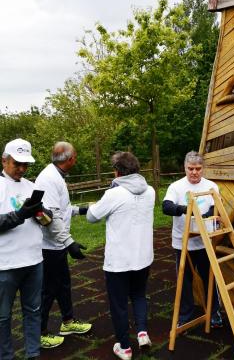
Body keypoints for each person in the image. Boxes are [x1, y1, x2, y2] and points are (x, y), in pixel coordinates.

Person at [86, 152, 155, 360]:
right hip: (143, 257)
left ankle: (124, 347)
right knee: (139, 295)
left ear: (117, 171)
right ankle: (142, 332)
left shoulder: (114, 194)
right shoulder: (150, 191)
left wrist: (108, 191)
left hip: (119, 262)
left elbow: (92, 217)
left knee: (118, 304)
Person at [35, 141, 91, 349]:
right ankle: (39, 333)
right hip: (49, 246)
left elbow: (63, 209)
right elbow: (49, 217)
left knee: (63, 285)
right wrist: (70, 243)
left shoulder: (57, 175)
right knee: (48, 290)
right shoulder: (49, 179)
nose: (75, 159)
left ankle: (67, 321)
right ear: (70, 159)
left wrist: (83, 210)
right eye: (75, 156)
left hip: (56, 245)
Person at [162, 151, 222, 328]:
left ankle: (214, 312)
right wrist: (185, 209)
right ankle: (186, 315)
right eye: (190, 169)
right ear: (185, 168)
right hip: (183, 243)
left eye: (198, 168)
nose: (194, 172)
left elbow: (215, 208)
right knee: (184, 281)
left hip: (204, 242)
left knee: (209, 278)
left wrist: (206, 215)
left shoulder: (211, 186)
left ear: (203, 168)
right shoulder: (176, 187)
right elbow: (166, 206)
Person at [0, 139, 44, 360]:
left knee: (33, 311)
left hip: (34, 261)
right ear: (4, 160)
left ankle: (33, 354)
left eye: (26, 164)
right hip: (5, 264)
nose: (22, 169)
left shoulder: (31, 185)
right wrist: (19, 215)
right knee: (3, 317)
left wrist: (44, 215)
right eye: (17, 164)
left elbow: (42, 219)